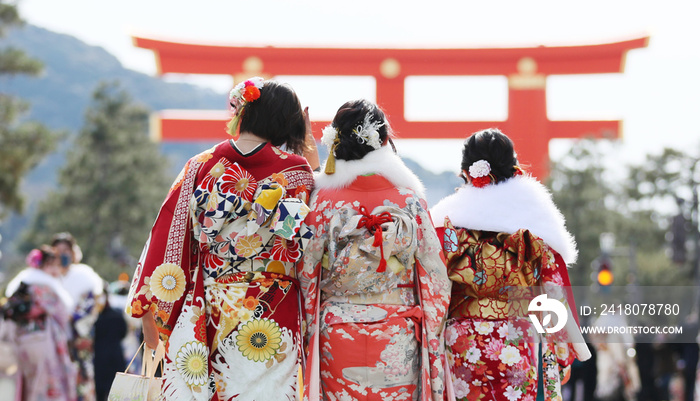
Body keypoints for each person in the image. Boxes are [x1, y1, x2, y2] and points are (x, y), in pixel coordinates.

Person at [126, 77, 318, 401]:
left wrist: (148, 308)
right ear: (287, 122)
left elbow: (167, 237)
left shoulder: (200, 165)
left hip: (212, 304)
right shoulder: (296, 170)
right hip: (273, 305)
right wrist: (308, 145)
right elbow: (301, 242)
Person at [299, 99, 451, 401]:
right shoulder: (409, 200)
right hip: (396, 332)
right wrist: (433, 335)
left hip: (338, 332)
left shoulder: (321, 201)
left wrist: (307, 330)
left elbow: (305, 273)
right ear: (383, 141)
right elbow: (437, 279)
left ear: (336, 141)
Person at [430, 128, 591, 401]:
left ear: (466, 171)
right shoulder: (534, 220)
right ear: (513, 167)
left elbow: (432, 286)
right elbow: (552, 291)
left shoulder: (448, 223)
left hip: (461, 338)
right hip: (516, 336)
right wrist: (561, 353)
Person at [3, 246, 77, 401]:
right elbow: (62, 314)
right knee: (46, 384)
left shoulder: (21, 286)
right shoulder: (45, 287)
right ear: (45, 265)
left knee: (29, 385)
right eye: (53, 265)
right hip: (44, 342)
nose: (56, 270)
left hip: (22, 342)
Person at [52, 232, 104, 401]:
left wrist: (72, 317)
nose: (62, 254)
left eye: (66, 250)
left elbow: (92, 302)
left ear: (73, 253)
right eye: (57, 250)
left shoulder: (84, 275)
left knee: (81, 378)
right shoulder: (50, 276)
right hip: (54, 336)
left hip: (79, 336)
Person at [93, 283, 128, 401]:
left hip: (100, 358)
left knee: (101, 392)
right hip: (115, 355)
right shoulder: (117, 315)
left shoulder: (95, 317)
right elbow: (123, 333)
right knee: (117, 390)